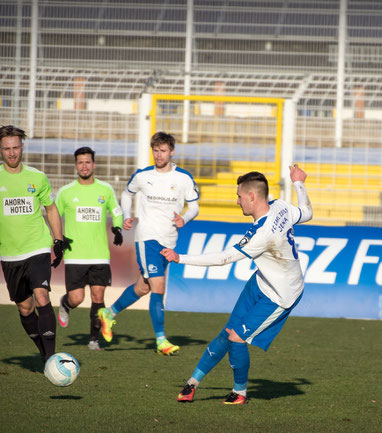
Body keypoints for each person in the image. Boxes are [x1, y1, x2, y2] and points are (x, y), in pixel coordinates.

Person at [162, 164, 313, 404]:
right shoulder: (281, 206)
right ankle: (192, 384)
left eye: (239, 196)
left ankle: (240, 393)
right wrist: (298, 182)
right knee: (227, 332)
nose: (237, 202)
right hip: (262, 282)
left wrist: (180, 258)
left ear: (252, 196)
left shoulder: (262, 234)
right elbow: (306, 211)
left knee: (236, 339)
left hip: (281, 295)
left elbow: (223, 258)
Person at [0, 125, 70, 364]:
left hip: (37, 247)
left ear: (22, 147)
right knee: (25, 308)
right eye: (7, 148)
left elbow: (51, 209)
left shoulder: (37, 177)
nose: (12, 153)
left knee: (42, 296)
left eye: (16, 147)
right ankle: (43, 350)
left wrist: (58, 240)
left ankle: (51, 359)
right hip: (10, 255)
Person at [97, 131, 199, 355]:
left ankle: (109, 313)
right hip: (147, 237)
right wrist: (126, 215)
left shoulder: (183, 178)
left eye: (163, 150)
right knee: (158, 288)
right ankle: (161, 341)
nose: (159, 154)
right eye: (155, 150)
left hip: (169, 240)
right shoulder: (143, 175)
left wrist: (186, 218)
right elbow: (126, 194)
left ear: (172, 152)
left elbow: (194, 206)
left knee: (143, 286)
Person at [55, 147, 124, 351]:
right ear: (76, 165)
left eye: (87, 162)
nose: (84, 166)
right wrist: (58, 238)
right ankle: (65, 303)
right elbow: (53, 216)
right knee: (77, 298)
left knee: (98, 297)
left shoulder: (105, 189)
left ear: (94, 164)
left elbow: (117, 211)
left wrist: (117, 227)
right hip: (75, 255)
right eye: (80, 162)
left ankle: (94, 339)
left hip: (99, 254)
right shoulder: (66, 192)